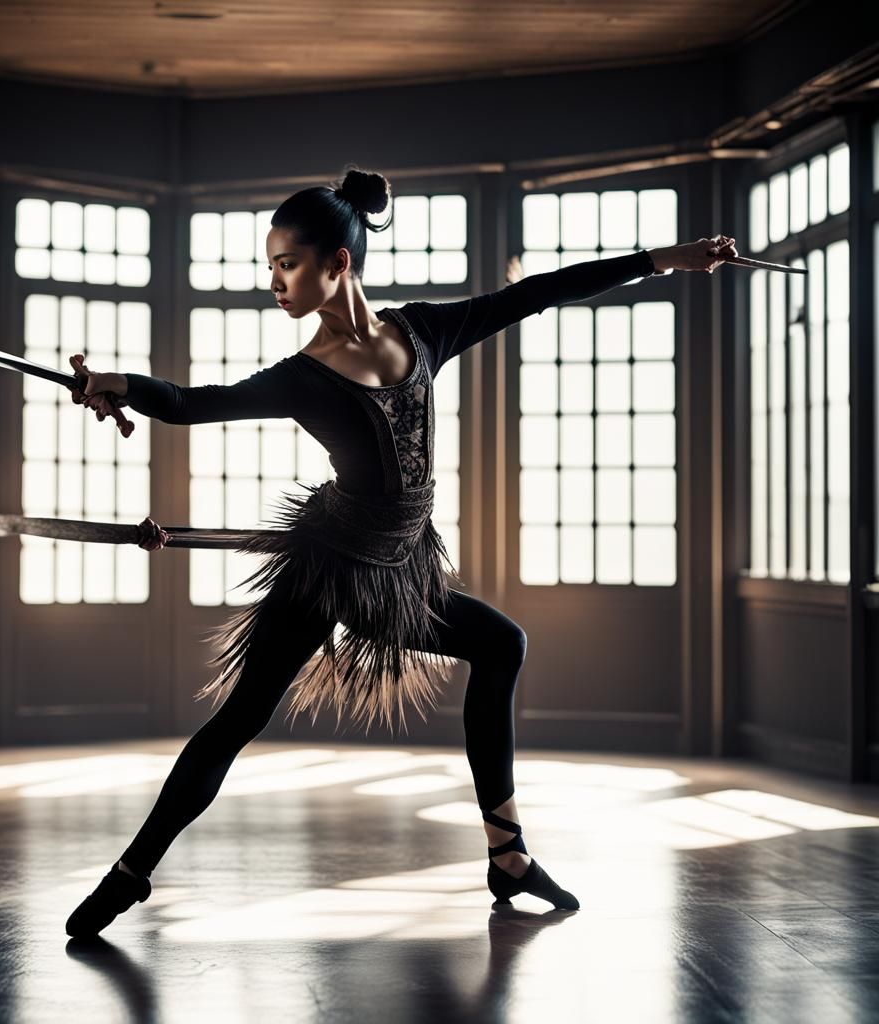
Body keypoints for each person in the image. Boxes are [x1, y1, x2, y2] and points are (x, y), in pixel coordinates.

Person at [64, 164, 738, 937]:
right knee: (240, 719)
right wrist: (113, 382)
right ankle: (131, 872)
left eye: (286, 265)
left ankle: (507, 853)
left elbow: (537, 292)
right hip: (329, 570)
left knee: (502, 644)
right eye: (270, 266)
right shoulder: (302, 378)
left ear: (337, 265)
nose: (274, 282)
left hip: (399, 573)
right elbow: (190, 404)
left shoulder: (422, 331)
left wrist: (662, 260)